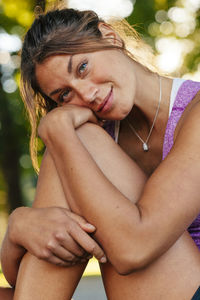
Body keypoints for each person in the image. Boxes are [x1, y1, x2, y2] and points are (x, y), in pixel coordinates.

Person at [0, 6, 200, 300]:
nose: (86, 95)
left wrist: (59, 132)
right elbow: (35, 271)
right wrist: (17, 228)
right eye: (64, 96)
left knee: (76, 140)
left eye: (82, 68)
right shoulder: (96, 136)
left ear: (109, 36)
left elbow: (134, 249)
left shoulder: (194, 110)